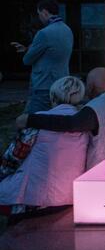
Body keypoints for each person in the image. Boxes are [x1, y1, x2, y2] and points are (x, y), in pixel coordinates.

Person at [0, 76, 87, 220]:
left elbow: (12, 159)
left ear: (52, 97)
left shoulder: (38, 120)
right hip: (68, 196)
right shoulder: (85, 122)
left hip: (31, 199)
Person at [16, 67, 105, 171]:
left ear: (90, 87)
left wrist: (29, 119)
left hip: (97, 171)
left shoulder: (97, 105)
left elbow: (72, 123)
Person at [10, 0, 73, 114]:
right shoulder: (67, 30)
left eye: (39, 14)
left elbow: (27, 60)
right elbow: (52, 51)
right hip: (61, 85)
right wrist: (28, 48)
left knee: (30, 122)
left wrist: (28, 51)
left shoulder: (44, 33)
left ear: (44, 12)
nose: (39, 17)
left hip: (43, 86)